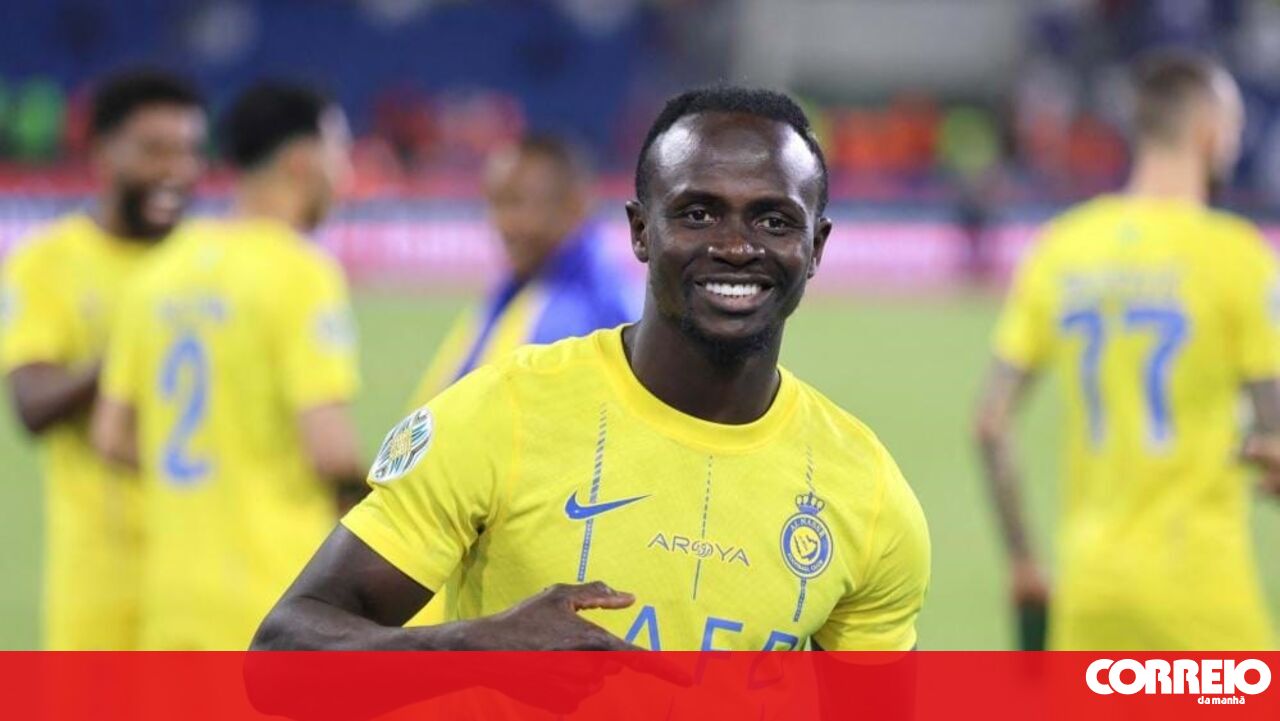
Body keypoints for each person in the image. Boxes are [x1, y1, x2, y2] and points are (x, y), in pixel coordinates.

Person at [252, 86, 929, 658]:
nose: (734, 245)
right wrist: (473, 648)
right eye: (697, 213)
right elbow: (282, 652)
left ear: (816, 245)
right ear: (640, 230)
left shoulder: (869, 498)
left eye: (774, 220)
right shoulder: (504, 412)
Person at [975, 51, 1279, 650]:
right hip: (1200, 589)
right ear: (1209, 133)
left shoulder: (1062, 247)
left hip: (1090, 591)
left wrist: (1024, 561)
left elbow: (990, 424)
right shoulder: (1237, 256)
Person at [91, 81, 365, 650]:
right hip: (275, 598)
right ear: (301, 160)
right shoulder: (299, 271)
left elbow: (110, 435)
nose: (345, 175)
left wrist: (212, 479)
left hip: (172, 602)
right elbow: (330, 450)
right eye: (339, 153)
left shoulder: (159, 270)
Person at [0, 69, 205, 650]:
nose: (175, 170)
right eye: (154, 150)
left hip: (204, 574)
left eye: (188, 151)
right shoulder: (47, 262)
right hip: (99, 578)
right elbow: (32, 406)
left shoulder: (210, 265)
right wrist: (128, 347)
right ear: (101, 153)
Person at [409, 134, 637, 407]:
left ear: (572, 206)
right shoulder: (524, 285)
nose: (502, 223)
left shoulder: (568, 315)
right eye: (494, 203)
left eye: (516, 203)